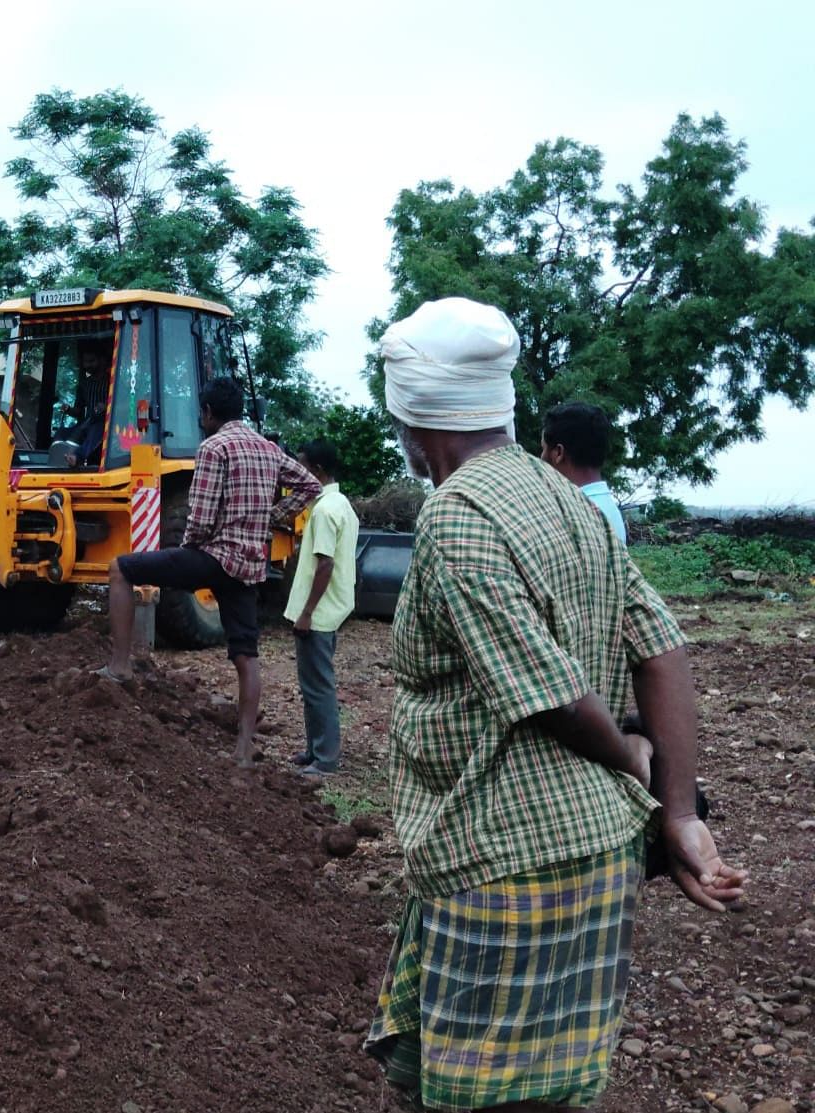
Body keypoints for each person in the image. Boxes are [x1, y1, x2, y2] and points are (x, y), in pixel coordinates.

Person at [364, 297, 745, 1112]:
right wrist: (676, 811)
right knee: (526, 1087)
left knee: (481, 1094)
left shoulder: (456, 519)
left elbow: (553, 701)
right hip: (593, 850)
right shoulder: (571, 499)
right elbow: (662, 646)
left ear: (411, 419)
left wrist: (636, 758)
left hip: (501, 857)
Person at [100, 376, 322, 766]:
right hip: (248, 568)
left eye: (201, 413)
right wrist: (273, 517)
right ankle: (242, 750)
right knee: (246, 655)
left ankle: (119, 666)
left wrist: (187, 550)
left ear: (207, 412)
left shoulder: (214, 448)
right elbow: (309, 485)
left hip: (212, 558)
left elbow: (200, 518)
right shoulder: (268, 450)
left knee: (120, 569)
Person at [282, 439, 359, 776]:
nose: (300, 473)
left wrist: (307, 612)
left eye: (303, 466)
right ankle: (315, 750)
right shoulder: (340, 504)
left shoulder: (326, 511)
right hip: (330, 608)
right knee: (313, 684)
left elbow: (324, 565)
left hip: (320, 613)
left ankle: (325, 759)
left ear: (317, 470)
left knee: (318, 686)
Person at [541, 401, 628, 544]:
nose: (541, 457)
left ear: (558, 453)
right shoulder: (608, 510)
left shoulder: (571, 518)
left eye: (543, 448)